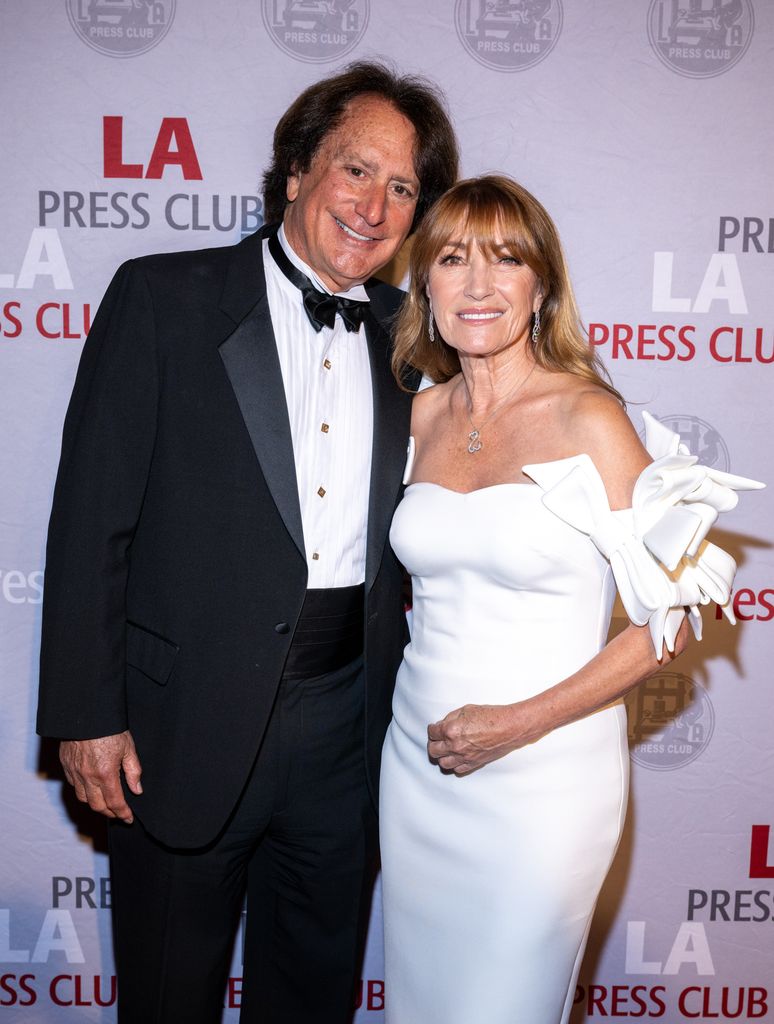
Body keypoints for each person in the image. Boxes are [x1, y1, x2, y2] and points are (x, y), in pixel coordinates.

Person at [36, 62, 459, 1023]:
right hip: (177, 726)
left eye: (403, 189)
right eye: (356, 170)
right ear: (296, 172)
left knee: (311, 1001)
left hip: (349, 733)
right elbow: (89, 517)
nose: (376, 205)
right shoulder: (163, 298)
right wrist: (83, 713)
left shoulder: (415, 337)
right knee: (167, 998)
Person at [379, 175, 762, 1024]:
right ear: (425, 285)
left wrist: (520, 721)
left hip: (543, 780)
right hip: (418, 766)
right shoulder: (414, 419)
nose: (478, 285)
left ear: (541, 285)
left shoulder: (591, 417)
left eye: (505, 259)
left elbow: (668, 622)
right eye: (451, 259)